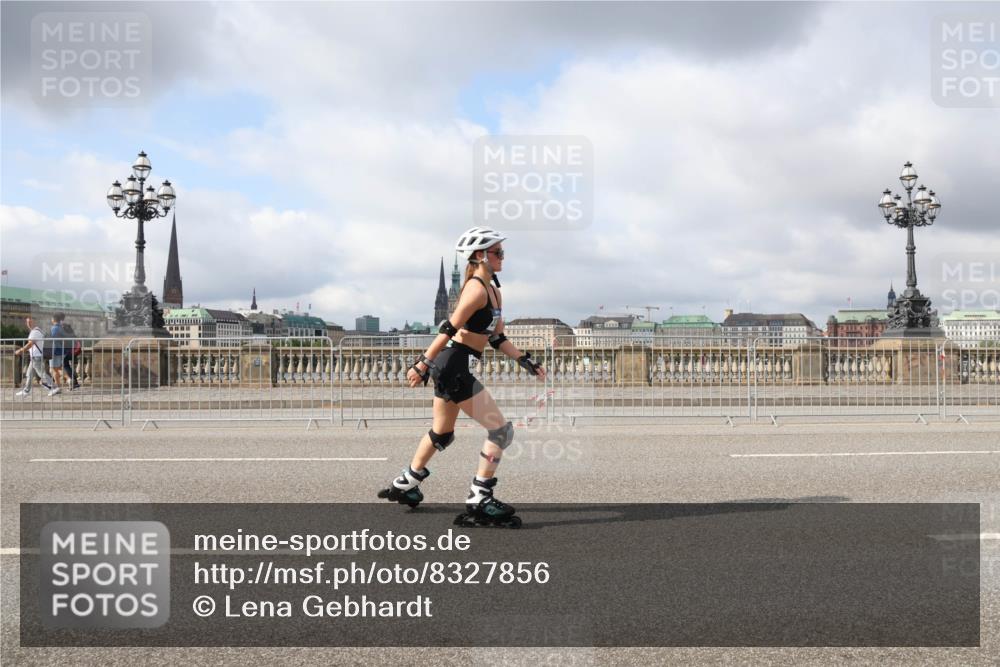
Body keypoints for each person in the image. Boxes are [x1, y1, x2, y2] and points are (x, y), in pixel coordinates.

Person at [378, 226, 546, 527]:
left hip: (455, 367)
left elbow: (497, 338)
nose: (503, 257)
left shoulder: (494, 291)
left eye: (502, 251)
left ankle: (406, 483)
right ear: (480, 256)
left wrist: (524, 360)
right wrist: (423, 363)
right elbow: (449, 328)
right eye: (498, 252)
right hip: (452, 366)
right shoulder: (475, 289)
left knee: (442, 433)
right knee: (501, 432)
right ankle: (480, 497)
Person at [13, 316, 60, 397]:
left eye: (30, 321)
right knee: (29, 374)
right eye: (27, 322)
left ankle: (54, 387)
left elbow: (30, 344)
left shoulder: (35, 331)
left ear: (35, 322)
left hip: (36, 356)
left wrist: (20, 350)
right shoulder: (36, 331)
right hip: (35, 356)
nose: (28, 323)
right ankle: (26, 390)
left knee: (41, 373)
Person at [49, 312, 67, 388]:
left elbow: (53, 340)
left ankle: (68, 379)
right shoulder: (61, 328)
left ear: (53, 319)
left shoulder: (54, 328)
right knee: (57, 369)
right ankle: (59, 386)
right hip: (61, 350)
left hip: (55, 351)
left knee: (53, 370)